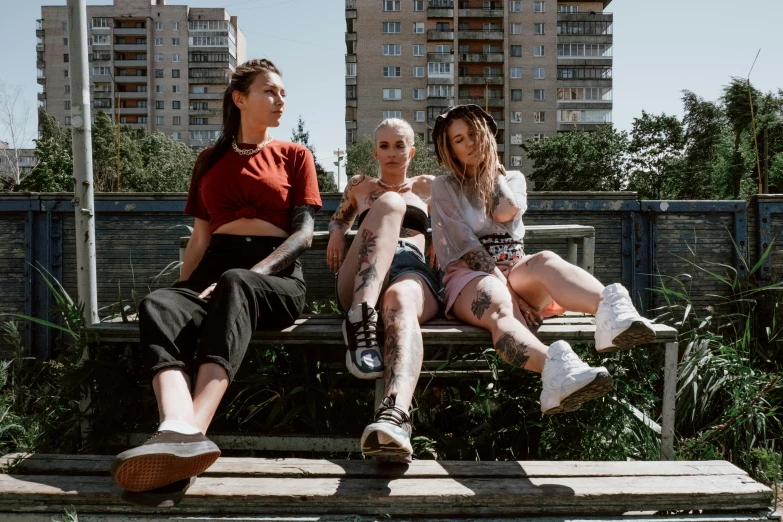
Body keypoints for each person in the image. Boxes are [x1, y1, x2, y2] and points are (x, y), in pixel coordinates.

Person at [110, 59, 322, 507]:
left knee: (234, 282)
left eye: (283, 92)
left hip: (275, 279)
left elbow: (304, 234)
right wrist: (185, 296)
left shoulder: (296, 155)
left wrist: (256, 272)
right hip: (217, 271)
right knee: (159, 304)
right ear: (240, 98)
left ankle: (193, 434)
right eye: (270, 91)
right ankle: (174, 427)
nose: (280, 99)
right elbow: (201, 237)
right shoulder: (209, 160)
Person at [430, 104, 655, 415]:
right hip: (470, 276)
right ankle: (556, 371)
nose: (469, 143)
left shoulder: (514, 179)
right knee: (498, 303)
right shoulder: (445, 187)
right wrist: (509, 292)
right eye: (459, 139)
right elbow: (466, 246)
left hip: (516, 268)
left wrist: (492, 170)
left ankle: (611, 314)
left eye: (474, 134)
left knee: (547, 258)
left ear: (487, 136)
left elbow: (503, 211)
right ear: (449, 149)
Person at [327, 118, 441, 462]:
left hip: (410, 270)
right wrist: (335, 231)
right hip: (361, 278)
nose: (392, 153)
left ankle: (393, 417)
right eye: (385, 146)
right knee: (390, 203)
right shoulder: (360, 186)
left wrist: (435, 235)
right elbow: (340, 218)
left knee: (402, 299)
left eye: (400, 145)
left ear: (412, 150)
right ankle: (360, 318)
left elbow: (455, 225)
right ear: (375, 149)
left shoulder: (428, 186)